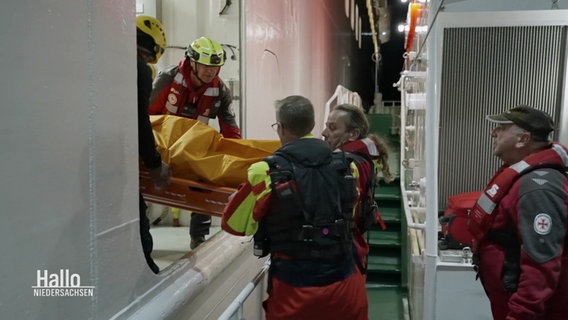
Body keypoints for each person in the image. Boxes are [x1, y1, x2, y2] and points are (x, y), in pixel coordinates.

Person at [222, 95, 368, 320]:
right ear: (312, 125)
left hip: (294, 293)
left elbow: (234, 225)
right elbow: (351, 213)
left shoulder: (264, 172)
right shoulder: (348, 167)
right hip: (347, 287)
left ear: (280, 128)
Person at [467, 105, 568, 319]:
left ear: (523, 140)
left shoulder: (538, 188)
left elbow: (541, 264)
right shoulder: (521, 176)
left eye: (502, 128)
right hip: (506, 300)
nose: (493, 133)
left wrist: (519, 314)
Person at [149, 36, 241, 249]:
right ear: (193, 62)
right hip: (161, 147)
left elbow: (231, 130)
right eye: (206, 65)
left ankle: (198, 238)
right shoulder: (167, 79)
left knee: (208, 173)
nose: (211, 71)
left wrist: (233, 161)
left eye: (215, 66)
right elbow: (146, 117)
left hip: (190, 149)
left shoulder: (220, 91)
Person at [322, 103, 394, 271]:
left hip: (341, 258)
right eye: (326, 127)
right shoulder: (363, 159)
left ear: (353, 134)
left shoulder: (345, 165)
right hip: (354, 250)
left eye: (332, 128)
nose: (324, 133)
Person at [136, 15, 172, 273]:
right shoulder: (139, 70)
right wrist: (155, 163)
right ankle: (146, 271)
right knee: (137, 221)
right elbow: (141, 120)